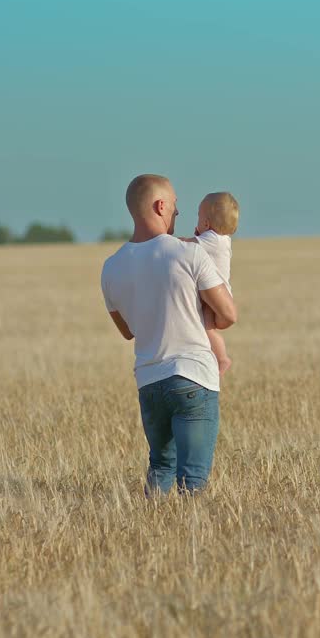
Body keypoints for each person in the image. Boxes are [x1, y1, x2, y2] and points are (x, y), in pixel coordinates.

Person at [100, 174, 238, 496]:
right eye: (175, 207)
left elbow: (127, 331)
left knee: (160, 468)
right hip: (193, 377)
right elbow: (229, 315)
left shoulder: (110, 268)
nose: (178, 214)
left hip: (148, 382)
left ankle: (150, 538)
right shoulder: (187, 253)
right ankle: (191, 542)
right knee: (193, 483)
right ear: (161, 206)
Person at [182, 192, 239, 375]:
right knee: (209, 327)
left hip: (215, 295)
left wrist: (166, 240)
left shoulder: (212, 240)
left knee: (208, 327)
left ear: (206, 223)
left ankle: (222, 358)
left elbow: (185, 245)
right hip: (221, 292)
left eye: (199, 217)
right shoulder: (223, 240)